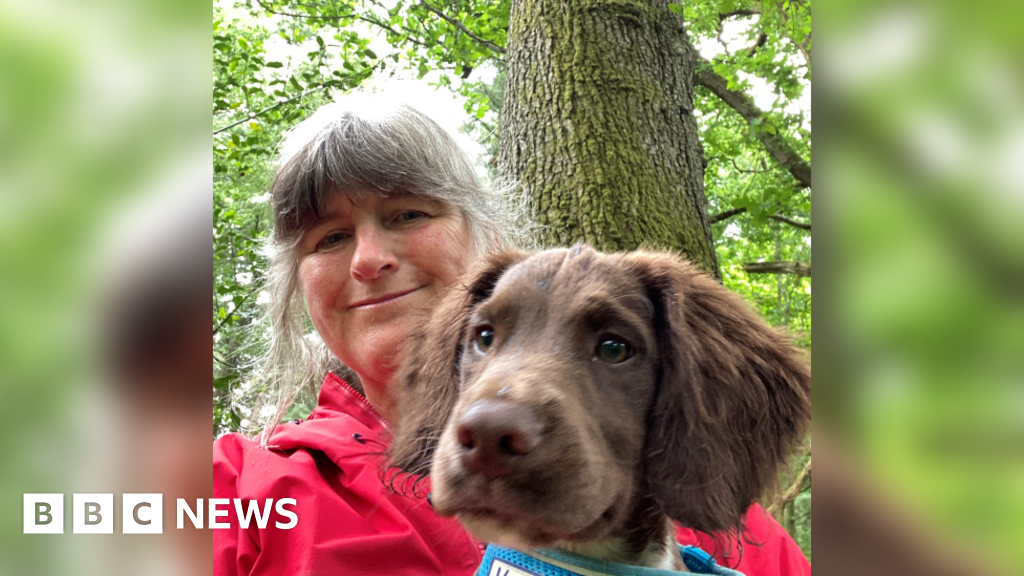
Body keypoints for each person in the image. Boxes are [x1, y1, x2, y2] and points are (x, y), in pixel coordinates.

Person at [212, 96, 810, 576]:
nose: (369, 259)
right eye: (329, 239)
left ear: (485, 230)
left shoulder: (718, 506)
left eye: (409, 214)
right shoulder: (239, 492)